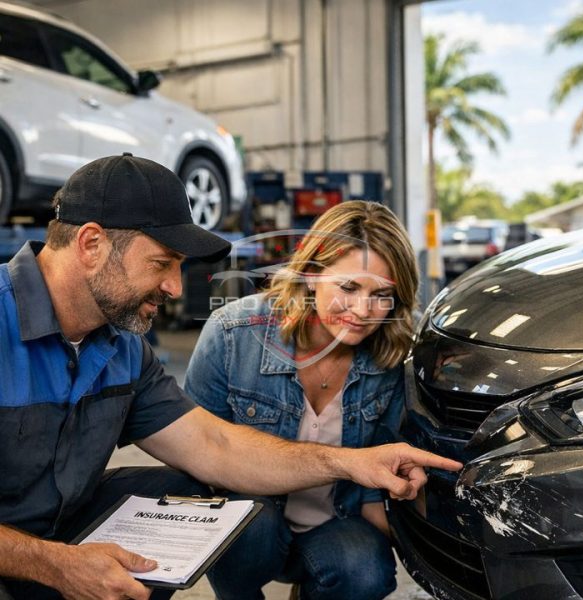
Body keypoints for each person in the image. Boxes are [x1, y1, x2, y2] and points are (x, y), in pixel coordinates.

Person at [0, 154, 461, 600]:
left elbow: (214, 446)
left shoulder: (122, 348)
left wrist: (352, 463)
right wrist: (57, 564)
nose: (176, 288)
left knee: (183, 495)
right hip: (22, 552)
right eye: (162, 263)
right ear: (91, 244)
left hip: (59, 532)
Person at [184, 200, 425, 600]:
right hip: (249, 531)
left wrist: (425, 528)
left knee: (366, 571)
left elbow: (372, 491)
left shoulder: (391, 356)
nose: (363, 312)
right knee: (249, 522)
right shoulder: (233, 334)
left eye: (382, 295)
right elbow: (191, 455)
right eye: (348, 287)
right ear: (311, 274)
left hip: (336, 521)